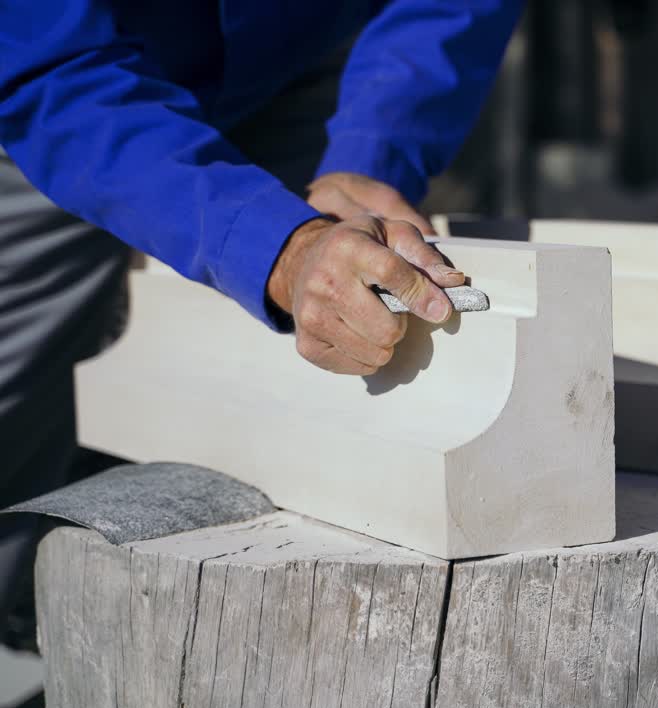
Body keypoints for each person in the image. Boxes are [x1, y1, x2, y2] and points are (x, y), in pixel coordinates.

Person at [0, 0, 523, 652]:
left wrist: (374, 154)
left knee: (310, 386)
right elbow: (46, 66)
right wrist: (278, 248)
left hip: (295, 58)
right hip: (62, 99)